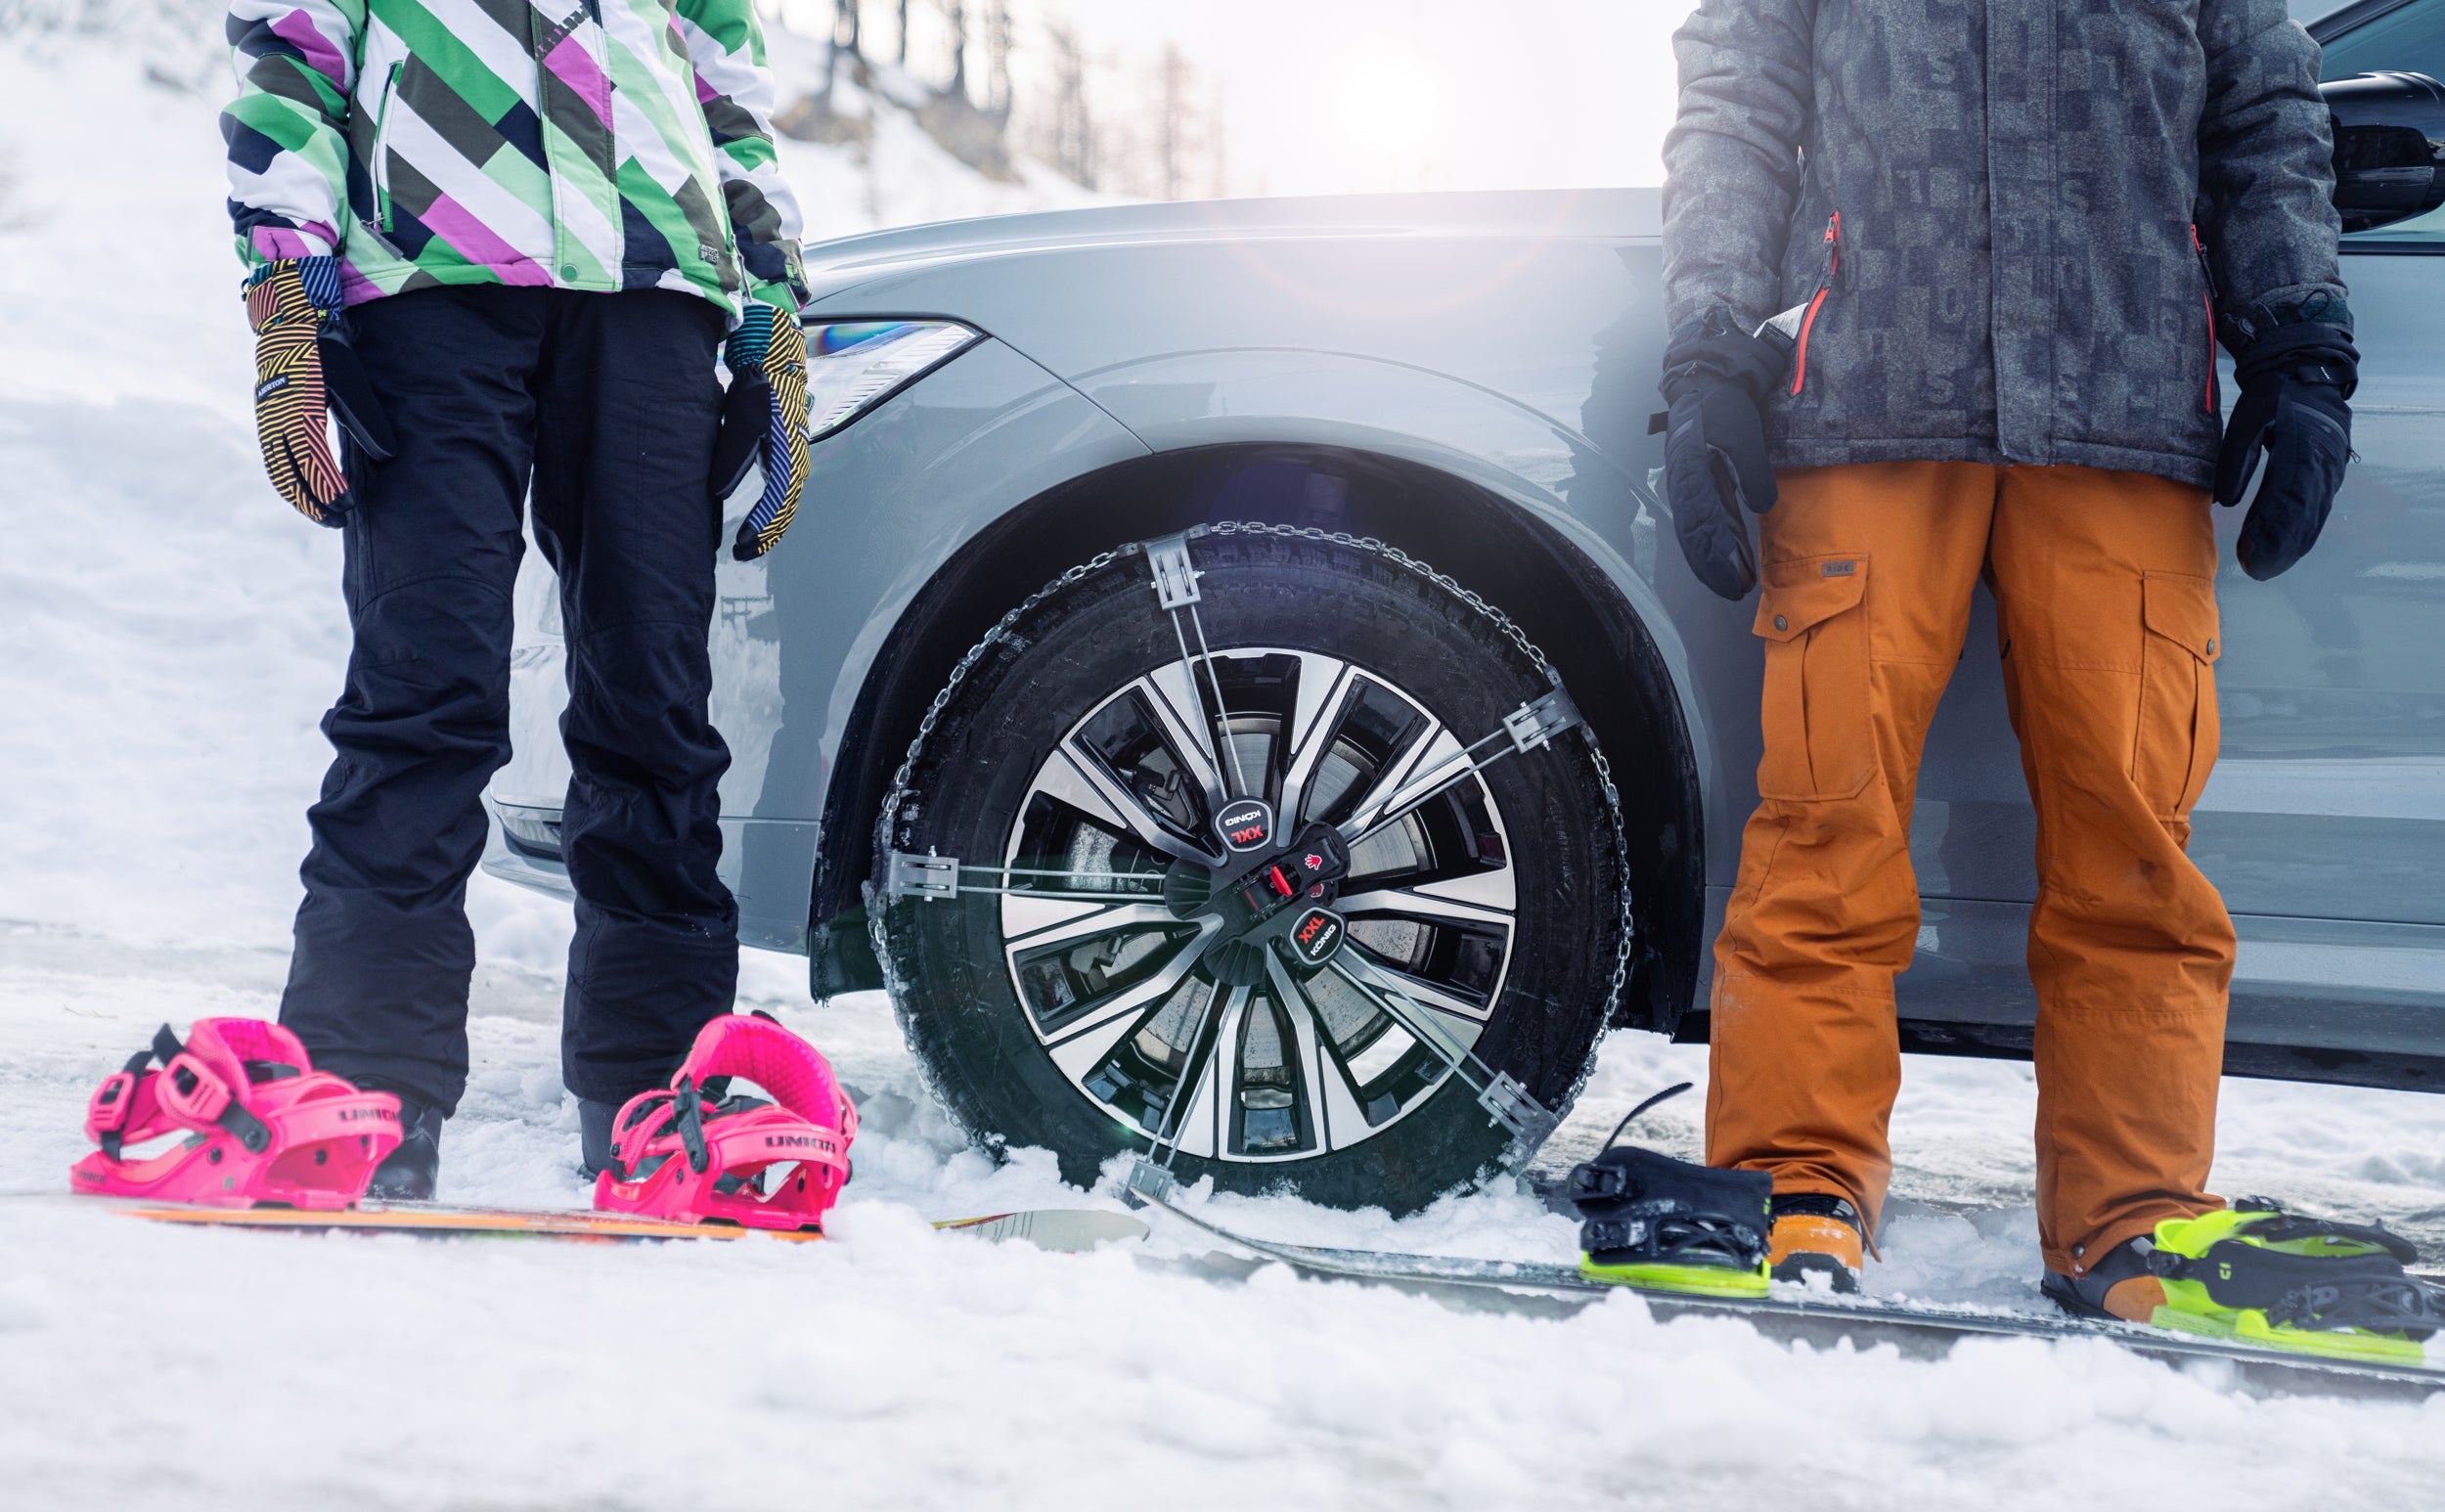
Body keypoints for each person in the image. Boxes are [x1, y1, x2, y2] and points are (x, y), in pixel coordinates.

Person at [1659, 0, 2356, 1319]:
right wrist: (1707, 344)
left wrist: (2299, 340)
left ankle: (2133, 1213)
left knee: (2133, 842)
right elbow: (1736, 108)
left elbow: (2268, 117)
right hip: (1863, 404)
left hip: (2127, 410)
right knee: (1826, 821)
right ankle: (1793, 1180)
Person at [222, 0, 816, 1196]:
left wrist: (772, 309)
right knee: (423, 685)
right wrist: (288, 298)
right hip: (428, 282)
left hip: (653, 292)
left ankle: (657, 1091)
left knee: (653, 703)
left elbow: (727, 97)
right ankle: (362, 1084)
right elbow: (293, 57)